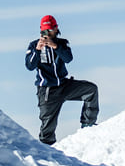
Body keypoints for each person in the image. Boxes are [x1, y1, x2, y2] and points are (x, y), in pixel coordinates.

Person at [24, 14, 99, 145]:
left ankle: (88, 125)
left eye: (50, 30)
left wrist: (55, 46)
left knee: (91, 90)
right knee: (47, 128)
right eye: (44, 31)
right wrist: (37, 50)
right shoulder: (33, 45)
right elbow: (29, 66)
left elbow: (68, 58)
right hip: (47, 90)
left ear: (56, 29)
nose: (48, 34)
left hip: (64, 85)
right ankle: (49, 157)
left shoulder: (62, 43)